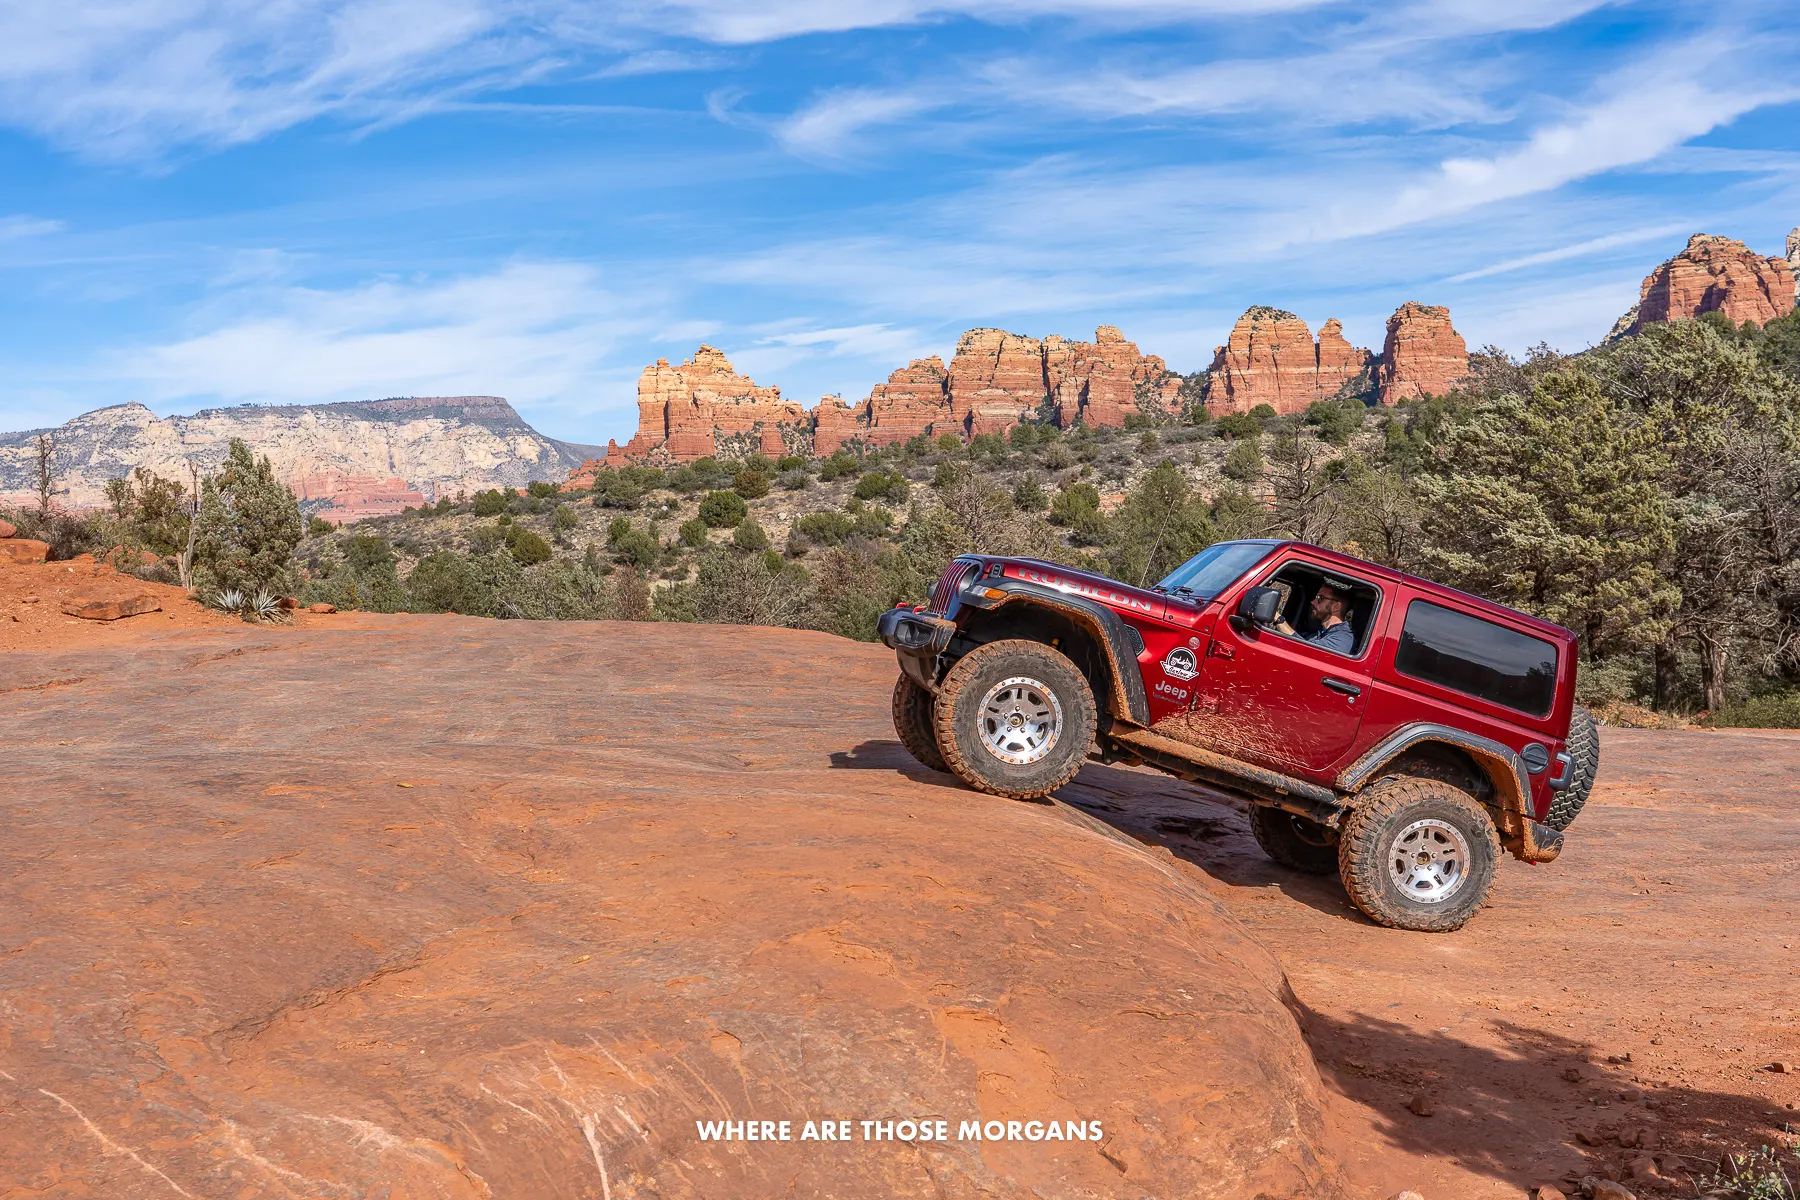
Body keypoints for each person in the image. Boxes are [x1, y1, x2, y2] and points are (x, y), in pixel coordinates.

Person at [1275, 582, 1354, 655]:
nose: (1313, 602)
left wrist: (1277, 619)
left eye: (1320, 598)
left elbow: (1305, 651)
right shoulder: (1318, 633)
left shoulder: (1343, 639)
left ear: (1335, 607)